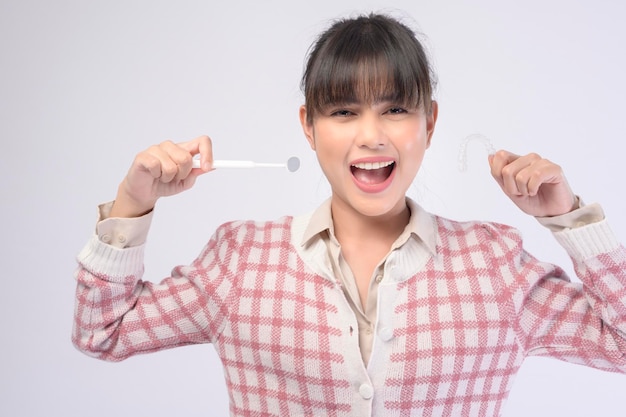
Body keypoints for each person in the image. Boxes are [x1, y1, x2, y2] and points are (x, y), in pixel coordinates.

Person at [72, 12, 626, 417]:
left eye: (395, 109)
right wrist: (133, 200)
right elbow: (102, 332)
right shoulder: (241, 260)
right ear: (308, 127)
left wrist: (571, 220)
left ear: (429, 124)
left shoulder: (495, 263)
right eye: (343, 111)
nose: (371, 135)